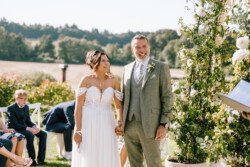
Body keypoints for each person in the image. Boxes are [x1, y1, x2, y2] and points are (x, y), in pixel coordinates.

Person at [120, 34, 173, 167]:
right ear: (132, 49)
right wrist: (120, 122)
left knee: (153, 162)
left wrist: (163, 124)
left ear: (148, 47)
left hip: (151, 125)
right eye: (137, 47)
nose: (141, 49)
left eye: (144, 46)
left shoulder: (161, 67)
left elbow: (167, 96)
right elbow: (122, 97)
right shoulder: (126, 69)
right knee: (134, 163)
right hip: (129, 125)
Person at [71, 50, 123, 167]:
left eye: (108, 61)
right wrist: (78, 130)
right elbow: (78, 107)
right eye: (103, 60)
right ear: (95, 62)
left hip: (107, 122)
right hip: (88, 122)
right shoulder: (86, 80)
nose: (107, 63)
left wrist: (120, 123)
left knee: (106, 152)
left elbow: (119, 106)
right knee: (89, 153)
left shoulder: (114, 81)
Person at [6, 89, 47, 166]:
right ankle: (32, 160)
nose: (24, 101)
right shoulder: (11, 108)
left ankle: (41, 160)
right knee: (29, 134)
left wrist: (35, 127)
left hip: (25, 128)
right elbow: (15, 124)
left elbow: (28, 121)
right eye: (22, 99)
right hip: (15, 129)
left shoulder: (26, 107)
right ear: (17, 98)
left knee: (43, 134)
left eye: (25, 99)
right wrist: (29, 129)